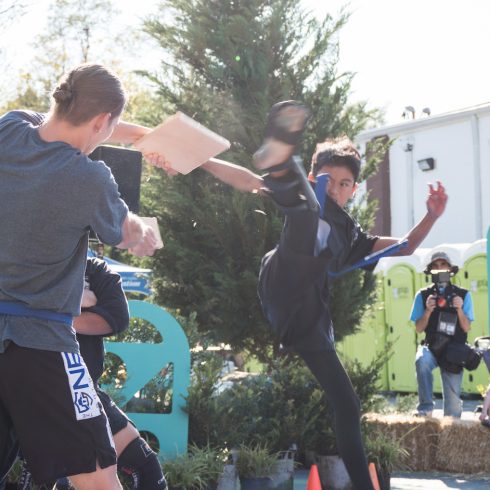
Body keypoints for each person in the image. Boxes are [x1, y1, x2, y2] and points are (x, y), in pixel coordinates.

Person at [153, 100, 448, 489]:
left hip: (306, 309)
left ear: (354, 190)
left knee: (347, 404)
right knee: (306, 207)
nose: (339, 189)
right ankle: (280, 159)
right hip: (284, 273)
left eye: (345, 184)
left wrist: (432, 214)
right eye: (330, 179)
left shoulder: (353, 235)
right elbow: (246, 180)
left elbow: (406, 247)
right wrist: (201, 159)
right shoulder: (309, 196)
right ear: (315, 173)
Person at [0, 63, 161, 490]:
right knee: (99, 477)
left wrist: (147, 139)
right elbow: (126, 232)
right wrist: (144, 229)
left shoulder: (9, 129)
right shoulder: (88, 177)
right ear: (101, 122)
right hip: (41, 342)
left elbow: (50, 120)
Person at [13, 257, 167, 490]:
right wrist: (81, 299)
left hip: (80, 388)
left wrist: (53, 318)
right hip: (28, 386)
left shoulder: (94, 269)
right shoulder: (21, 261)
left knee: (145, 468)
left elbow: (116, 317)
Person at [410, 251, 473, 418]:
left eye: (443, 265)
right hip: (431, 347)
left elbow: (466, 328)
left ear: (450, 270)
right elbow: (418, 328)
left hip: (454, 351)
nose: (439, 269)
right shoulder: (423, 295)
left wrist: (459, 309)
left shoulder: (464, 295)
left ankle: (451, 437)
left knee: (453, 411)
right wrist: (428, 310)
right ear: (430, 271)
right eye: (435, 266)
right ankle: (425, 408)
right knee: (421, 360)